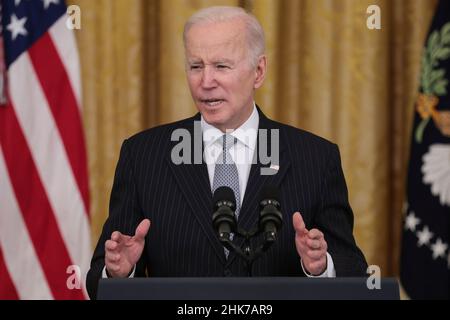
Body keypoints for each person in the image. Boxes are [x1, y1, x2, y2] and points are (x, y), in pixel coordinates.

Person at [86, 6, 367, 299]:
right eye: (196, 66)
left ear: (258, 71)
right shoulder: (143, 156)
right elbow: (97, 281)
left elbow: (355, 274)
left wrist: (321, 268)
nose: (206, 82)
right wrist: (119, 273)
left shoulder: (316, 159)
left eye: (221, 66)